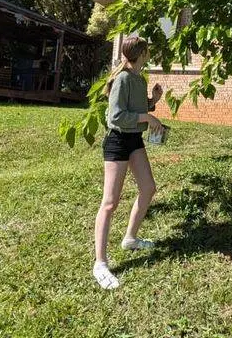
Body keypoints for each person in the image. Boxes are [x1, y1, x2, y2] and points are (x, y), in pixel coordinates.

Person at [93, 36, 164, 290]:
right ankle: (100, 263)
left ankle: (130, 238)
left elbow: (135, 107)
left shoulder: (138, 78)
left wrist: (152, 101)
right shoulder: (122, 78)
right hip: (117, 142)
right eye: (147, 51)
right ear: (141, 53)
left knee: (148, 188)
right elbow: (117, 116)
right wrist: (147, 115)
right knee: (110, 203)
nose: (149, 55)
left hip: (134, 140)